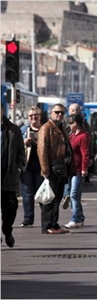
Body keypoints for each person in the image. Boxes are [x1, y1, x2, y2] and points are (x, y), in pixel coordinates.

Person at [37, 103, 75, 234]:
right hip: (52, 168)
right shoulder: (46, 128)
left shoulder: (61, 128)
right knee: (49, 198)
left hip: (61, 167)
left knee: (57, 197)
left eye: (62, 113)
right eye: (57, 112)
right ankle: (48, 225)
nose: (59, 115)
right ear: (51, 113)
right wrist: (45, 170)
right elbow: (41, 150)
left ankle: (54, 224)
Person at [1, 101, 26, 247]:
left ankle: (7, 230)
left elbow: (21, 152)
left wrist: (18, 167)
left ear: (2, 111)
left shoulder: (13, 130)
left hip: (8, 176)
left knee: (10, 209)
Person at [64, 114, 91, 229]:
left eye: (71, 123)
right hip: (71, 169)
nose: (69, 125)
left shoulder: (83, 136)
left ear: (76, 123)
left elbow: (85, 153)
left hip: (78, 170)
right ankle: (79, 217)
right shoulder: (71, 135)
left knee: (74, 195)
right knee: (73, 194)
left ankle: (75, 218)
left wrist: (84, 168)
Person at [20, 106, 44, 227]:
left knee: (42, 193)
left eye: (36, 115)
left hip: (41, 166)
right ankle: (28, 218)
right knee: (27, 193)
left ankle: (46, 218)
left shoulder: (45, 129)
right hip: (27, 166)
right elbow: (16, 146)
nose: (33, 117)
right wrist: (24, 142)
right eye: (31, 116)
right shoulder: (23, 130)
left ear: (40, 116)